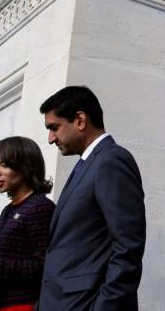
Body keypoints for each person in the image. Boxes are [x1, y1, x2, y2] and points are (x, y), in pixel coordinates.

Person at [37, 86, 146, 310]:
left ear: (79, 120)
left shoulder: (111, 161)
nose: (50, 139)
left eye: (54, 128)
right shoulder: (87, 164)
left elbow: (127, 247)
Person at [0, 137, 55, 311]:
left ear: (25, 167)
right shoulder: (8, 209)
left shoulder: (40, 207)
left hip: (22, 304)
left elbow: (46, 266)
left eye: (4, 165)